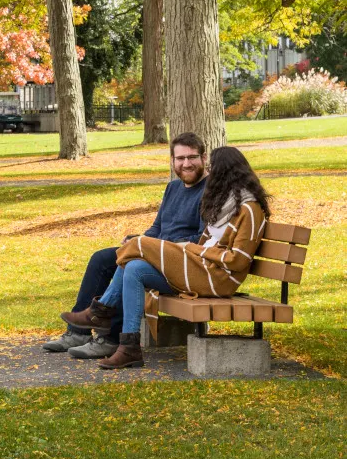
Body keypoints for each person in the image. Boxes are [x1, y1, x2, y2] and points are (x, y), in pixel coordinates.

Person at [61, 144, 268, 370]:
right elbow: (203, 240)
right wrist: (193, 250)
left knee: (138, 244)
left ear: (227, 173)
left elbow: (238, 260)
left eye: (213, 170)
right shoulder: (227, 205)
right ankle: (129, 348)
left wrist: (192, 249)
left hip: (217, 279)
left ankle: (99, 311)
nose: (210, 175)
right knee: (134, 267)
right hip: (201, 268)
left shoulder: (250, 209)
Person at [42, 131, 209, 359]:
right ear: (172, 161)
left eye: (192, 157)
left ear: (204, 158)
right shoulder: (173, 188)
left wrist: (150, 246)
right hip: (154, 253)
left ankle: (110, 339)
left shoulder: (209, 192)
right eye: (180, 158)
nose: (186, 163)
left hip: (178, 263)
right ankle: (78, 333)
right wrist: (139, 239)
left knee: (130, 265)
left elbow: (200, 239)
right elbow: (157, 228)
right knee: (102, 259)